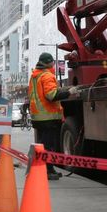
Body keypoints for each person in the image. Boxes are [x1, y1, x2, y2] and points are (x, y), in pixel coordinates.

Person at [28, 52, 78, 180]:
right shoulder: (47, 76)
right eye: (53, 62)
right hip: (48, 117)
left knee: (42, 145)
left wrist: (63, 90)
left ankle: (42, 168)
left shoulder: (35, 76)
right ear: (49, 63)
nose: (54, 64)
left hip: (38, 117)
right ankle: (48, 171)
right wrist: (69, 93)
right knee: (48, 146)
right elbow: (51, 96)